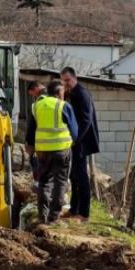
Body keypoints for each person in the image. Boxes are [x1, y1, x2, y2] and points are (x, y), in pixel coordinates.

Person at [26, 80, 78, 223]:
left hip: (42, 151)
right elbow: (74, 131)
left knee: (44, 182)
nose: (64, 94)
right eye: (62, 92)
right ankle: (53, 216)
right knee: (60, 182)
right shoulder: (63, 105)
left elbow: (31, 129)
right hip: (62, 150)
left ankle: (42, 215)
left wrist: (30, 146)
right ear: (58, 92)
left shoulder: (37, 106)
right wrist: (72, 141)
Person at [60, 67, 99, 221]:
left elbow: (85, 120)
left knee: (81, 176)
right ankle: (74, 209)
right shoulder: (71, 93)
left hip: (81, 141)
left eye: (68, 80)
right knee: (74, 175)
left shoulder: (82, 94)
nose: (66, 84)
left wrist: (74, 139)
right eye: (63, 81)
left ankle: (84, 213)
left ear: (75, 78)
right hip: (74, 140)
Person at [25, 81, 47, 181]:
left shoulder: (38, 104)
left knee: (41, 177)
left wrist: (30, 143)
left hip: (42, 145)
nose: (33, 96)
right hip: (60, 147)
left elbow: (32, 126)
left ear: (35, 89)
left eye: (32, 94)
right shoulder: (56, 97)